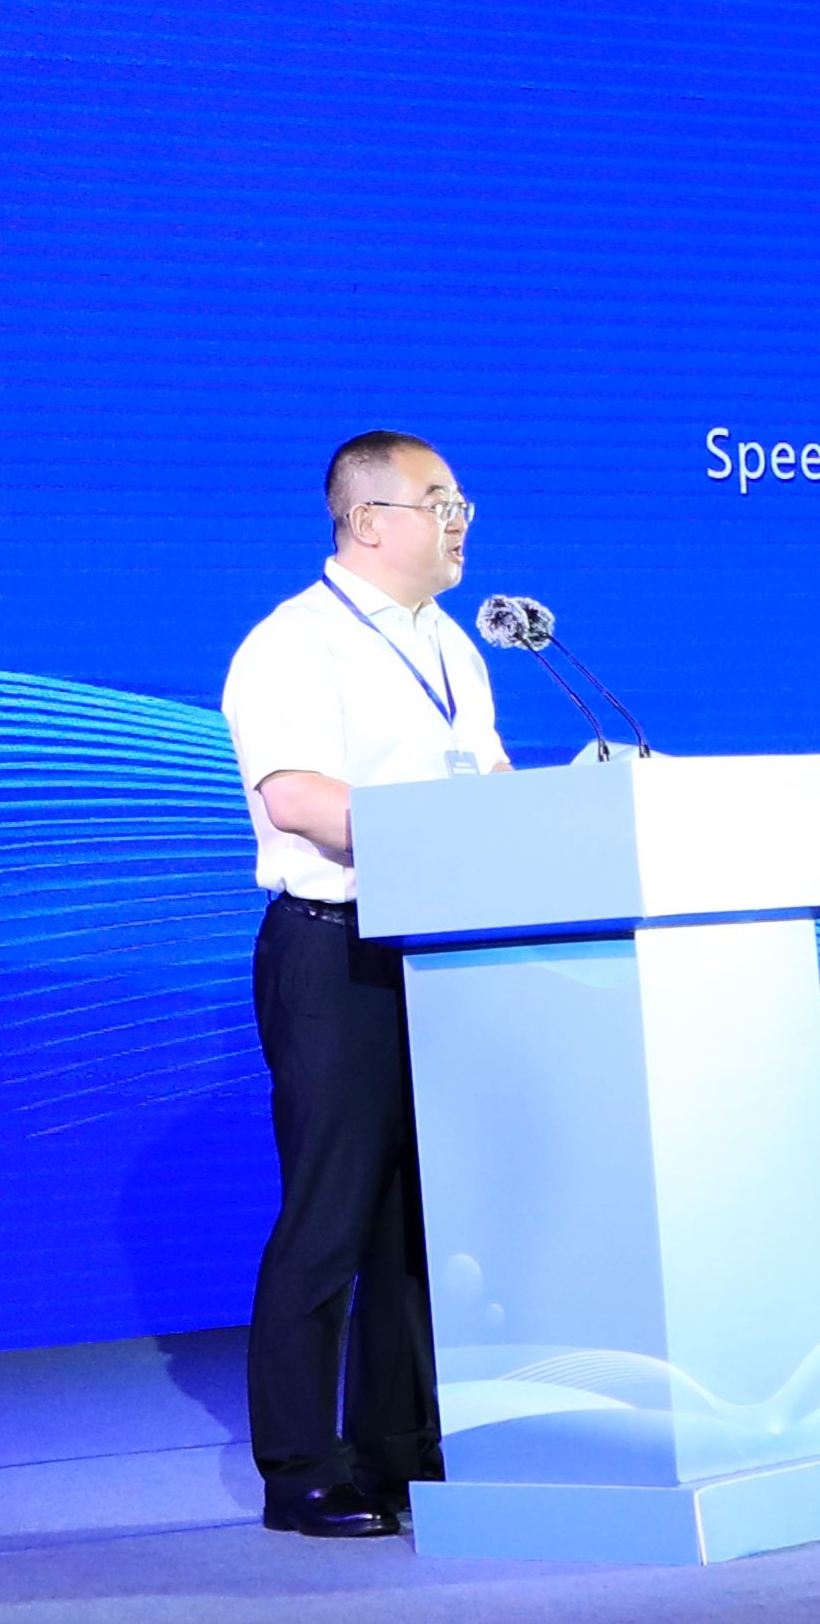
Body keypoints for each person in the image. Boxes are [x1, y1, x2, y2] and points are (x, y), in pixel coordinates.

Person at [221, 430, 509, 1538]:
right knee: (332, 1212)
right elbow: (296, 797)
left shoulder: (454, 645)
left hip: (438, 952)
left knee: (417, 1221)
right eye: (441, 500)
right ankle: (301, 1468)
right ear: (369, 519)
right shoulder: (293, 642)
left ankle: (400, 1452)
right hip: (333, 947)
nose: (459, 520)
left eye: (460, 499)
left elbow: (486, 781)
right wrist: (444, 835)